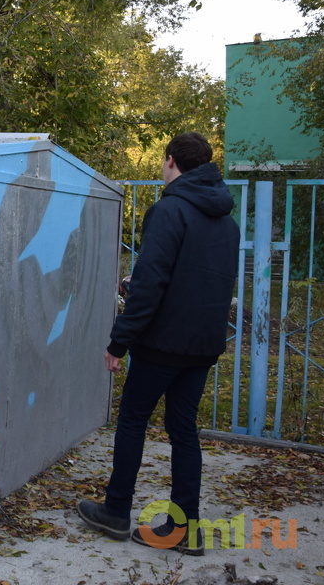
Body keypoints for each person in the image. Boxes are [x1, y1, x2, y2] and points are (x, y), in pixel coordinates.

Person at [77, 132, 240, 556]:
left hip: (162, 343)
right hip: (202, 345)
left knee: (132, 421)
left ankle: (116, 512)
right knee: (184, 431)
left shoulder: (169, 210)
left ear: (170, 161)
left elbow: (151, 285)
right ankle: (185, 529)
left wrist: (119, 341)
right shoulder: (227, 222)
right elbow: (205, 280)